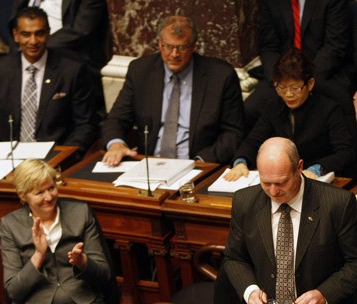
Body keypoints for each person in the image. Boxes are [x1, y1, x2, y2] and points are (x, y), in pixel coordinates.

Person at [215, 137, 357, 304]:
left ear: (299, 167)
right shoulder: (245, 201)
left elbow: (354, 262)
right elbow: (234, 258)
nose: (273, 191)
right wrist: (249, 291)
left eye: (281, 182)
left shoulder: (338, 204)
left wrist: (324, 294)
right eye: (265, 183)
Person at [102, 15, 245, 166]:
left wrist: (201, 162)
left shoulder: (220, 76)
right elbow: (117, 119)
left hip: (197, 165)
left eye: (182, 47)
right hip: (149, 165)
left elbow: (233, 133)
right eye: (169, 46)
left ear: (193, 46)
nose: (174, 54)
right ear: (159, 44)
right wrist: (116, 144)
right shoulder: (140, 71)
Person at [0, 159, 113, 304]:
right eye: (39, 193)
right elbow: (14, 291)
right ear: (23, 196)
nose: (48, 197)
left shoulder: (80, 213)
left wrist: (82, 262)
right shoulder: (11, 225)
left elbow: (104, 275)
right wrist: (38, 254)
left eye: (51, 188)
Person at [225, 48, 356, 181]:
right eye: (282, 87)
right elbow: (254, 140)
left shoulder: (329, 108)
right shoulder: (275, 106)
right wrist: (241, 161)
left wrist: (316, 169)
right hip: (281, 179)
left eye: (295, 88)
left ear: (310, 84)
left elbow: (345, 152)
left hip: (317, 180)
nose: (288, 94)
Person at [0, 6, 97, 158]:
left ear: (48, 33)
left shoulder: (72, 71)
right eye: (26, 34)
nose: (33, 41)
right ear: (16, 35)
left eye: (39, 33)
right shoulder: (1, 70)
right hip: (10, 160)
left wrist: (63, 156)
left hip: (55, 158)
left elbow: (85, 125)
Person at [245, 0, 355, 130]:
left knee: (338, 107)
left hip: (323, 72)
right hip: (283, 73)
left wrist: (304, 79)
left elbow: (335, 47)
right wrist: (279, 78)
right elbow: (269, 46)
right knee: (250, 109)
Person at [10, 0, 112, 119]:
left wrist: (38, 45)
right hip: (25, 59)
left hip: (68, 59)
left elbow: (81, 30)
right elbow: (15, 24)